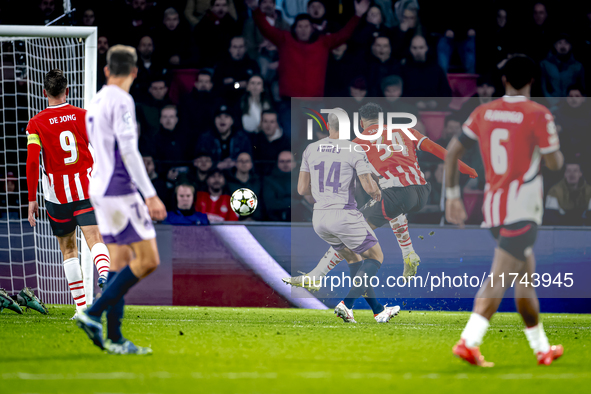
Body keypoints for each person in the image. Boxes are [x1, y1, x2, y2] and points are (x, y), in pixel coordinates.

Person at [444, 55, 564, 366]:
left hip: (494, 207)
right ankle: (469, 341)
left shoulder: (484, 112)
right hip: (523, 207)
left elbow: (454, 150)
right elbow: (555, 164)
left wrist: (452, 195)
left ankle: (541, 349)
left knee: (525, 280)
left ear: (504, 80)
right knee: (500, 276)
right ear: (532, 81)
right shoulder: (538, 114)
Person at [285, 103, 476, 288]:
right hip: (423, 191)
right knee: (392, 206)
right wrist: (466, 169)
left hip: (397, 193)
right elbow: (438, 150)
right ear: (383, 119)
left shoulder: (357, 144)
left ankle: (317, 275)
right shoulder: (406, 130)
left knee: (349, 233)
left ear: (361, 123)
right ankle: (409, 253)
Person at [76, 45, 167, 355]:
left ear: (106, 70)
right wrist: (150, 194)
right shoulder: (122, 100)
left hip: (98, 187)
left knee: (118, 263)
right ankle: (92, 312)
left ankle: (115, 338)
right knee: (149, 260)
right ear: (135, 72)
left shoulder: (96, 100)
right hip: (119, 189)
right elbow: (128, 150)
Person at [295, 110, 400, 324]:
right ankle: (346, 304)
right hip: (343, 215)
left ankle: (379, 311)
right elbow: (367, 183)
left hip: (319, 218)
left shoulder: (310, 149)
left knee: (353, 258)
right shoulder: (353, 148)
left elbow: (302, 189)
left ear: (327, 127)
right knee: (376, 257)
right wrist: (376, 193)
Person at [25, 69, 112, 319]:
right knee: (94, 239)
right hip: (85, 190)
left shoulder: (36, 123)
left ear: (45, 93)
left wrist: (32, 199)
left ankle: (81, 308)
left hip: (57, 197)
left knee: (68, 249)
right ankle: (104, 273)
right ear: (68, 91)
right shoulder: (83, 116)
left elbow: (32, 163)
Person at [253, 0, 370, 98]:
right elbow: (265, 28)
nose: (303, 29)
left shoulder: (323, 42)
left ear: (312, 29)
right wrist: (254, 8)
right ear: (295, 29)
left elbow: (344, 34)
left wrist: (357, 15)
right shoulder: (285, 39)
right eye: (300, 26)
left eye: (306, 26)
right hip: (289, 101)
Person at [401, 35, 452, 108]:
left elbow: (447, 94)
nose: (418, 51)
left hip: (434, 111)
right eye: (414, 48)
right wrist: (414, 103)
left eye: (421, 47)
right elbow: (399, 95)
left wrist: (437, 103)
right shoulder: (403, 69)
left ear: (426, 48)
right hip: (410, 110)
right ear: (410, 49)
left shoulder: (436, 69)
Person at [196, 105, 252, 169]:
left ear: (232, 121)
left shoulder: (242, 139)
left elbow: (250, 162)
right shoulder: (205, 139)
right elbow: (198, 162)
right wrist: (216, 165)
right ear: (214, 120)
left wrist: (235, 163)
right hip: (212, 176)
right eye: (219, 117)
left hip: (236, 175)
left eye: (226, 116)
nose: (222, 120)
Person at [191, 0, 240, 68]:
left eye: (224, 5)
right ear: (212, 7)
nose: (221, 8)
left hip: (228, 63)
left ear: (228, 7)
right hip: (207, 63)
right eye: (217, 5)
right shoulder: (203, 25)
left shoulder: (232, 23)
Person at [540, 34, 586, 107]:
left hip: (571, 104)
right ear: (555, 45)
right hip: (551, 104)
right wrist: (551, 102)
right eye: (559, 43)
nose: (563, 46)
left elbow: (583, 88)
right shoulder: (545, 64)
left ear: (570, 46)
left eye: (566, 43)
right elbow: (543, 87)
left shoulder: (578, 66)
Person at [213, 36, 260, 105]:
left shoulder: (252, 64)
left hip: (248, 100)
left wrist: (232, 84)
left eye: (241, 47)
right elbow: (217, 86)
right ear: (230, 49)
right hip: (226, 101)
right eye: (235, 47)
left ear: (245, 48)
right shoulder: (222, 66)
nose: (238, 50)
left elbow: (256, 82)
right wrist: (237, 85)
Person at [225, 152, 263, 220]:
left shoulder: (258, 182)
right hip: (232, 222)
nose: (244, 163)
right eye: (241, 161)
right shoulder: (227, 183)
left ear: (251, 164)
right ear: (235, 163)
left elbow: (260, 204)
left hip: (255, 223)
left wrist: (254, 219)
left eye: (247, 161)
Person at [252, 110, 290, 175]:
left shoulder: (287, 142)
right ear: (260, 123)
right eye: (265, 121)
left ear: (277, 123)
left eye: (272, 122)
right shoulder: (254, 140)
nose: (268, 125)